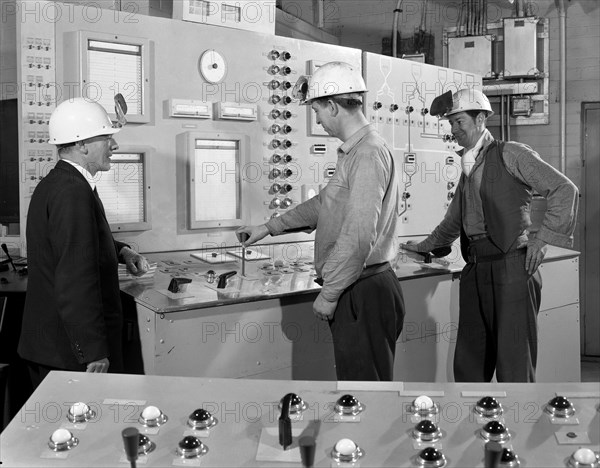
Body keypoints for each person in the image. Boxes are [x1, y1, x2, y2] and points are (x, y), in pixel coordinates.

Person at [236, 61, 405, 381]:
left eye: (317, 112)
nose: (318, 120)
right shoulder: (358, 152)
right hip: (361, 285)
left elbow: (358, 236)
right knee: (362, 385)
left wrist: (329, 295)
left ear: (332, 106)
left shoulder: (367, 154)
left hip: (361, 290)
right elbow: (325, 204)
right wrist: (268, 228)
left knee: (363, 393)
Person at [402, 88, 579, 383]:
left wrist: (543, 237)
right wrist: (422, 247)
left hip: (512, 266)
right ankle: (475, 424)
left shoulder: (512, 154)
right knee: (470, 364)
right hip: (475, 270)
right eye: (450, 123)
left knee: (514, 365)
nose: (454, 130)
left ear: (481, 118)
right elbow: (452, 222)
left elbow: (564, 189)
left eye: (460, 122)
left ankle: (513, 425)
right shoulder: (468, 167)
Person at [18, 98, 149, 388]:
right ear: (82, 145)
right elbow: (75, 279)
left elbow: (76, 243)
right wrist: (93, 351)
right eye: (106, 138)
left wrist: (121, 251)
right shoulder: (72, 193)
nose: (114, 146)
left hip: (55, 345)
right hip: (70, 353)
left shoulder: (60, 183)